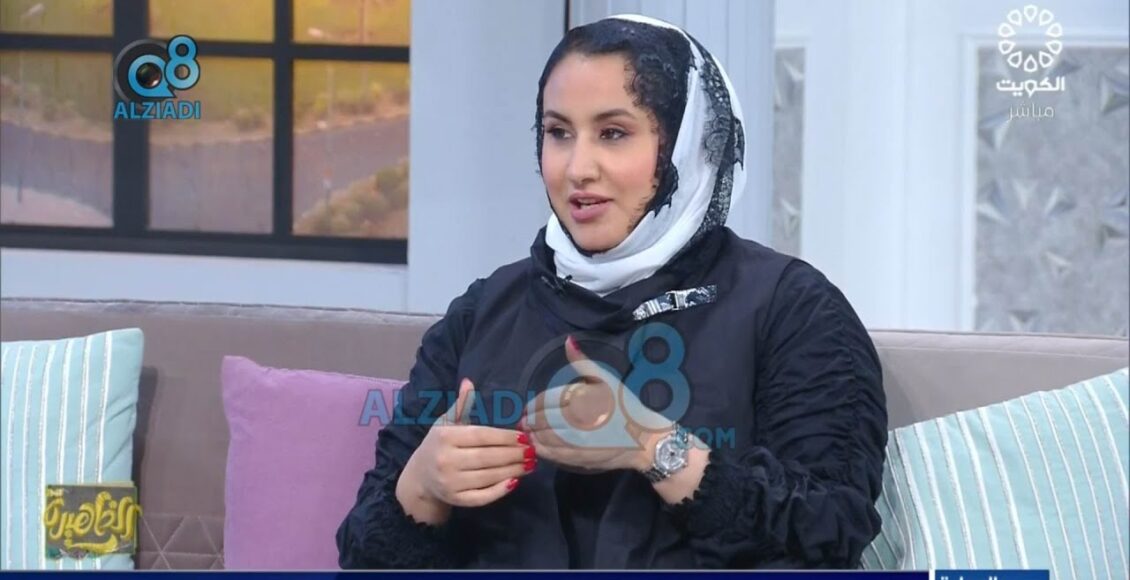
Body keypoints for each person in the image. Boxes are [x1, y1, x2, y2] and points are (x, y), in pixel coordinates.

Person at [335, 14, 887, 569]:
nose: (578, 168)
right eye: (558, 133)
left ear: (689, 144)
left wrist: (653, 446)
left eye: (613, 133)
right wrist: (423, 487)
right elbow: (362, 559)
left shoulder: (791, 307)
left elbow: (832, 529)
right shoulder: (484, 310)